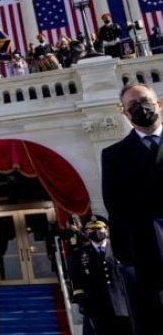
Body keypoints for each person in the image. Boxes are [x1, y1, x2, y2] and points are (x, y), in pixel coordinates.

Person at [101, 83, 163, 334]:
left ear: (159, 103)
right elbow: (116, 208)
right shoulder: (114, 154)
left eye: (145, 101)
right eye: (132, 106)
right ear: (125, 114)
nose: (141, 108)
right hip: (147, 257)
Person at [69, 216, 131, 335]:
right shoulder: (80, 253)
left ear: (106, 230)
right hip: (96, 306)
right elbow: (76, 279)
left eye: (99, 228)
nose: (96, 232)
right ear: (86, 232)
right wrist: (81, 301)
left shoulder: (119, 249)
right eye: (92, 230)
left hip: (122, 304)